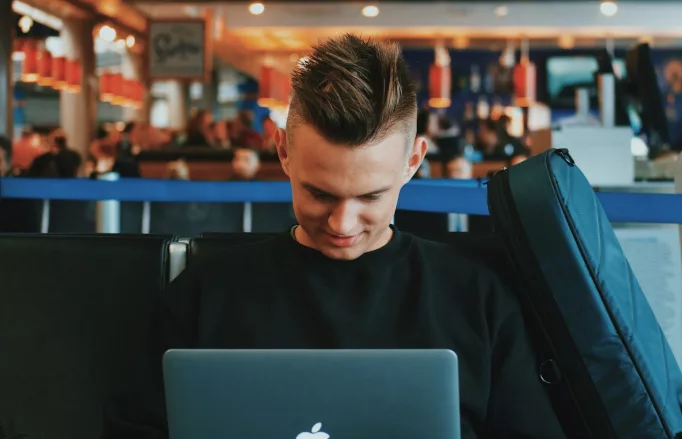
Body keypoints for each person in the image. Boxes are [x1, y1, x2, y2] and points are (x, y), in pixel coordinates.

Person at [102, 34, 564, 439]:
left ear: (413, 160)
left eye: (370, 197)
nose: (343, 224)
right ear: (283, 151)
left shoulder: (478, 298)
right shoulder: (204, 294)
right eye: (319, 193)